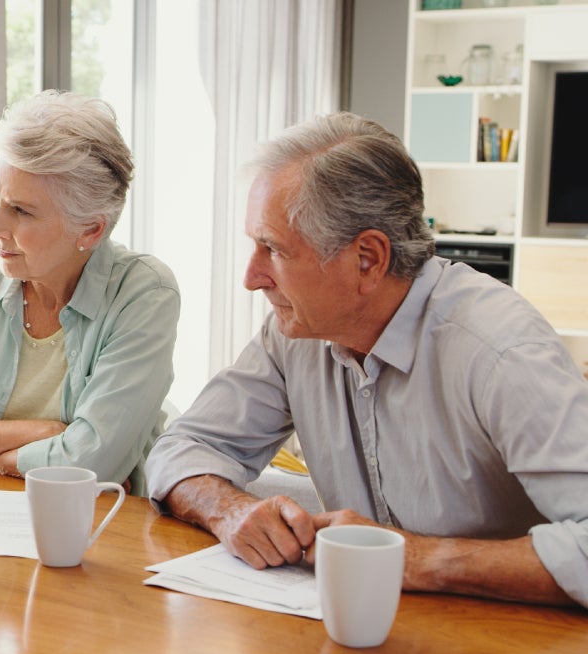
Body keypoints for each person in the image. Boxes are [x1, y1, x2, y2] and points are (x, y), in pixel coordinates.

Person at [146, 112, 588, 607]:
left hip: (512, 651)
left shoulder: (501, 353)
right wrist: (229, 510)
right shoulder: (295, 333)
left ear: (368, 259)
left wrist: (415, 558)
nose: (251, 277)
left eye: (271, 248)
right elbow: (183, 447)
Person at [0, 90, 180, 490]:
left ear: (90, 229)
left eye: (21, 211)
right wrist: (47, 432)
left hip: (99, 531)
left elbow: (92, 463)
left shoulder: (144, 294)